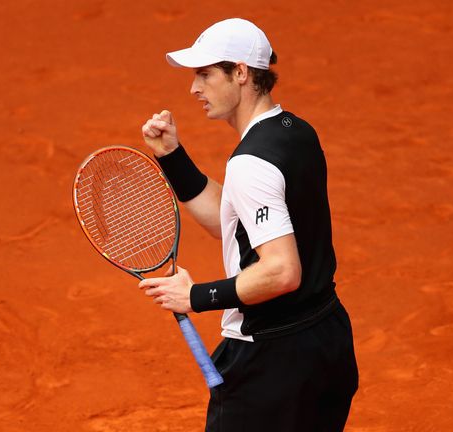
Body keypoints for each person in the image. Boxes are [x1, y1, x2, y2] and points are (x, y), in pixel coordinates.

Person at [137, 18, 359, 431]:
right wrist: (172, 157)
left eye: (205, 74)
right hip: (326, 344)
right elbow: (234, 220)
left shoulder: (250, 163)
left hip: (271, 365)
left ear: (240, 73)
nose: (194, 88)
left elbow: (281, 271)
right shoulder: (295, 132)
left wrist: (196, 296)